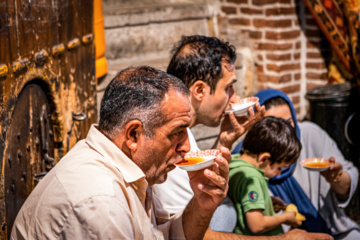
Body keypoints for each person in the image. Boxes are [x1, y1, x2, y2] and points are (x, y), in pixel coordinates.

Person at [10, 66, 231, 240]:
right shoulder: (100, 202)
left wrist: (203, 205)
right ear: (134, 135)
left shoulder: (131, 168)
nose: (186, 147)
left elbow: (167, 235)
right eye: (176, 133)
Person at [153, 35, 333, 240]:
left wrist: (225, 138)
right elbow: (191, 233)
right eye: (228, 88)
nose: (235, 98)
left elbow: (202, 186)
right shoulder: (171, 146)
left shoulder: (184, 131)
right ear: (200, 90)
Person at [232, 89, 360, 239]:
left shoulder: (310, 135)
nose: (286, 133)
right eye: (275, 126)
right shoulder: (250, 172)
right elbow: (256, 222)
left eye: (288, 123)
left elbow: (349, 181)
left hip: (334, 231)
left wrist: (337, 177)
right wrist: (285, 217)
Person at [229, 116, 302, 236]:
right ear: (264, 159)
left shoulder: (235, 163)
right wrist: (285, 218)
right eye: (280, 168)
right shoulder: (252, 178)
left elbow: (242, 200)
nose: (279, 173)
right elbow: (257, 225)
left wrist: (268, 200)